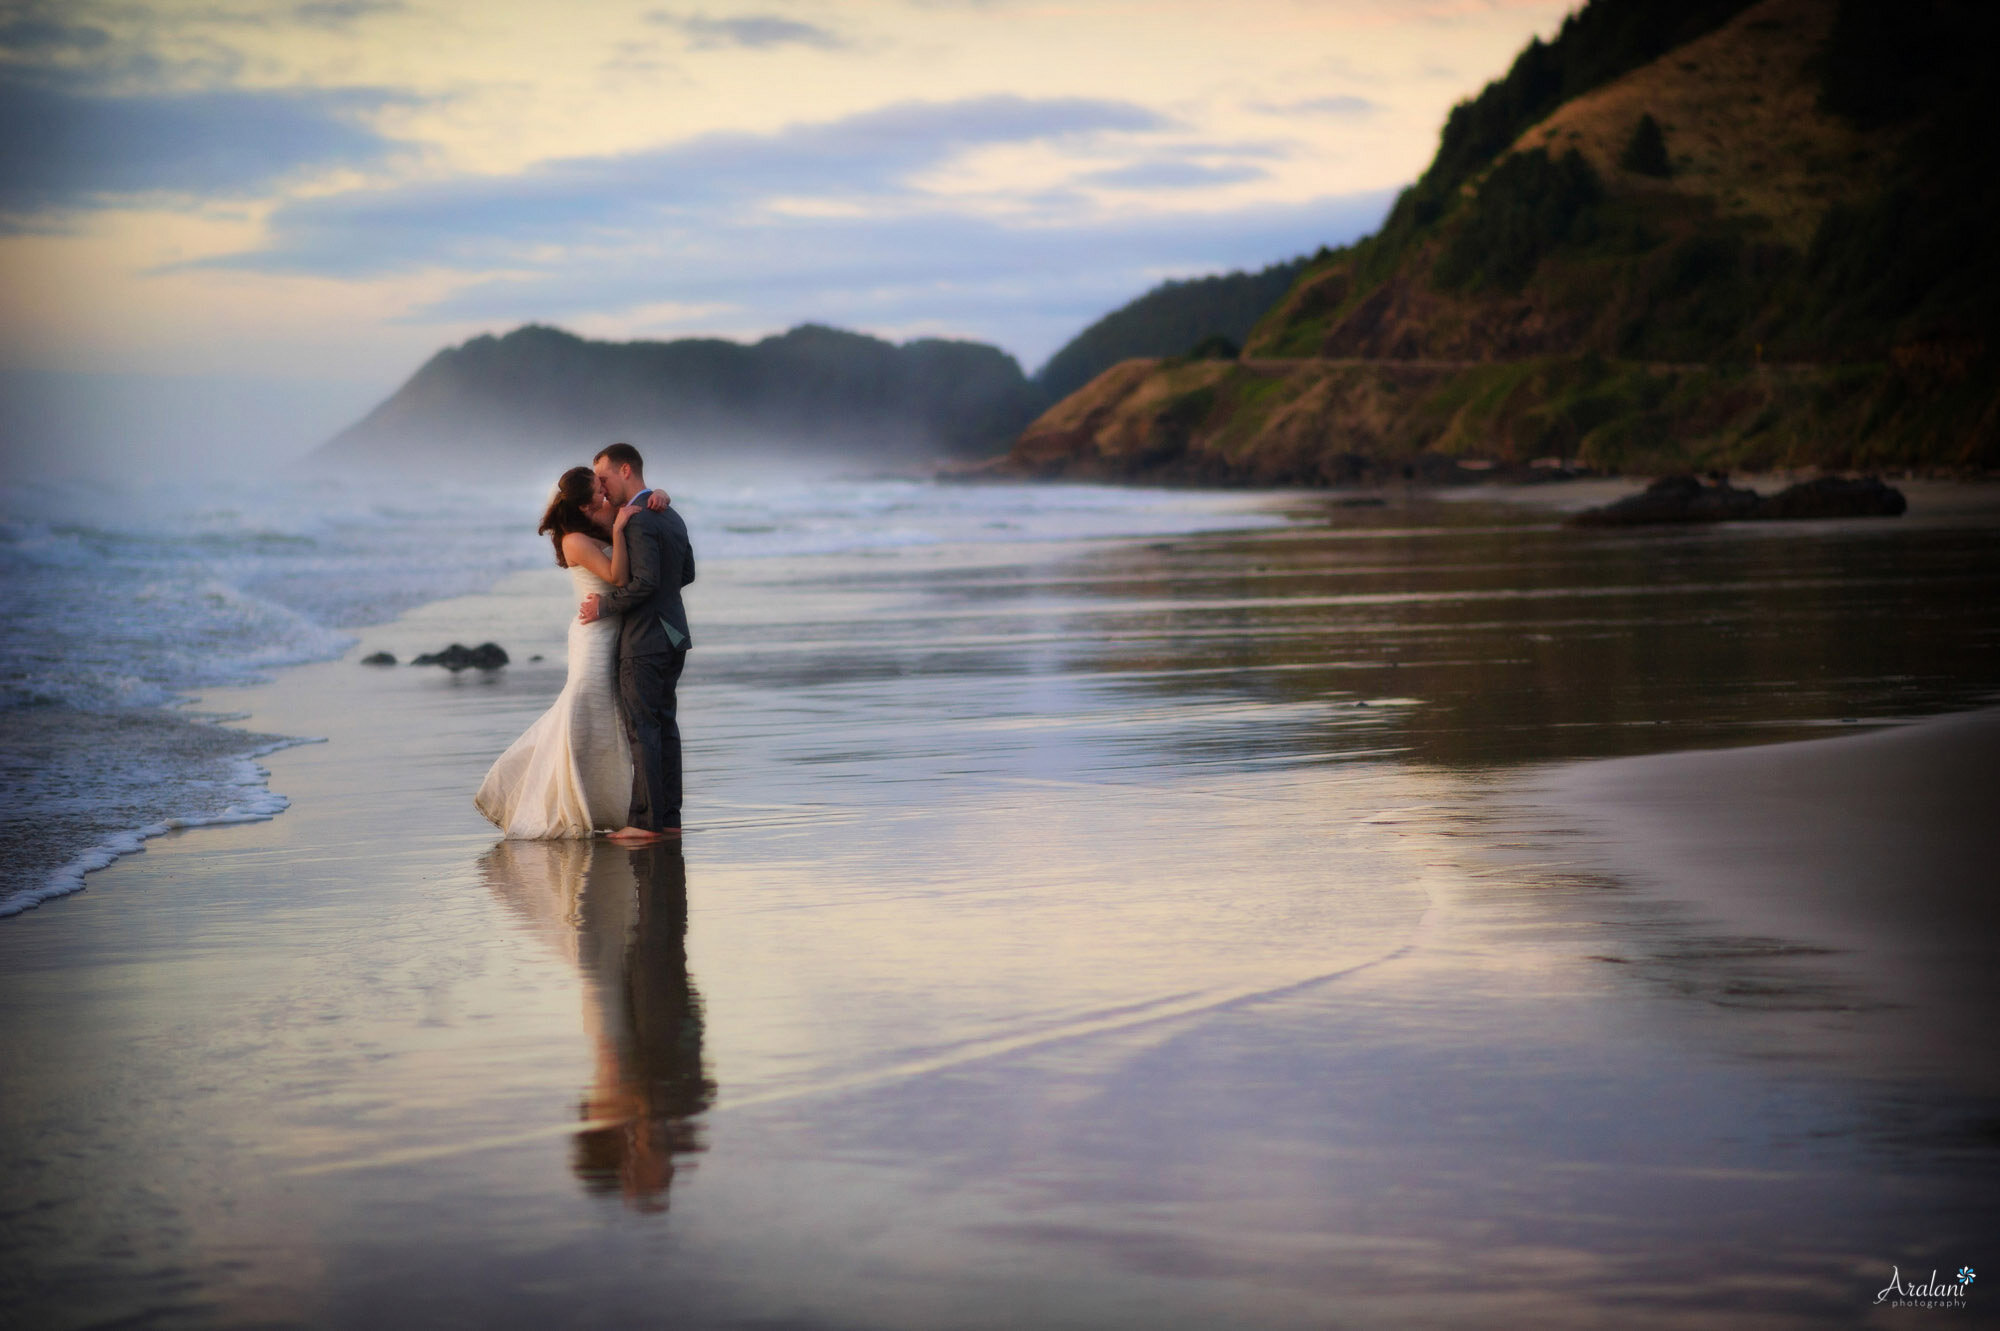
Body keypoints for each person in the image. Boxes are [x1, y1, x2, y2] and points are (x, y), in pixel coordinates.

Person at [473, 465, 666, 838]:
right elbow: (617, 577)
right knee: (582, 709)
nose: (604, 492)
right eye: (597, 489)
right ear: (582, 504)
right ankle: (538, 795)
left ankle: (602, 805)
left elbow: (642, 501)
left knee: (605, 717)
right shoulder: (574, 540)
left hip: (613, 627)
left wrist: (660, 497)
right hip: (594, 634)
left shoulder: (596, 525)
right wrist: (621, 529)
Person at [580, 442, 696, 843]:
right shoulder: (672, 515)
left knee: (643, 729)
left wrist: (605, 607)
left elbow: (644, 582)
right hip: (674, 634)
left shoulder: (639, 521)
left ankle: (644, 823)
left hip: (645, 639)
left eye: (605, 477)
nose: (603, 487)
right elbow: (686, 573)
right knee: (665, 728)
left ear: (625, 469)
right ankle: (668, 819)